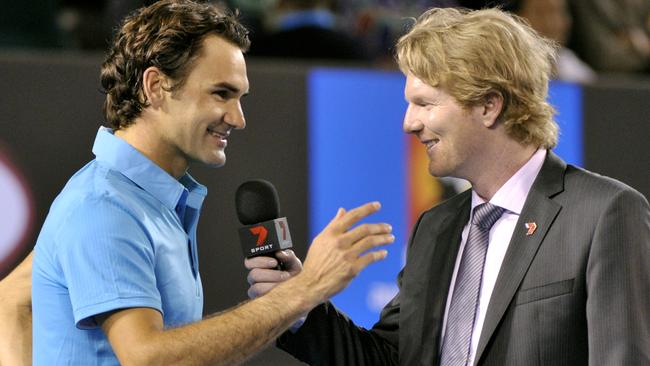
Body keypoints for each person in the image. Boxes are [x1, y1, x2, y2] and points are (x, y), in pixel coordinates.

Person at [246, 7, 650, 365]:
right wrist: (298, 302)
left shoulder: (604, 214)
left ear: (489, 105)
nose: (409, 123)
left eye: (424, 103)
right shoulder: (435, 228)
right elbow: (387, 357)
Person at [5, 1, 394, 365]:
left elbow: (12, 297)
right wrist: (303, 290)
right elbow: (148, 358)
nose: (238, 118)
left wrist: (295, 296)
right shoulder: (104, 206)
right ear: (155, 86)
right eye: (221, 94)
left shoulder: (137, 199)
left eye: (240, 97)